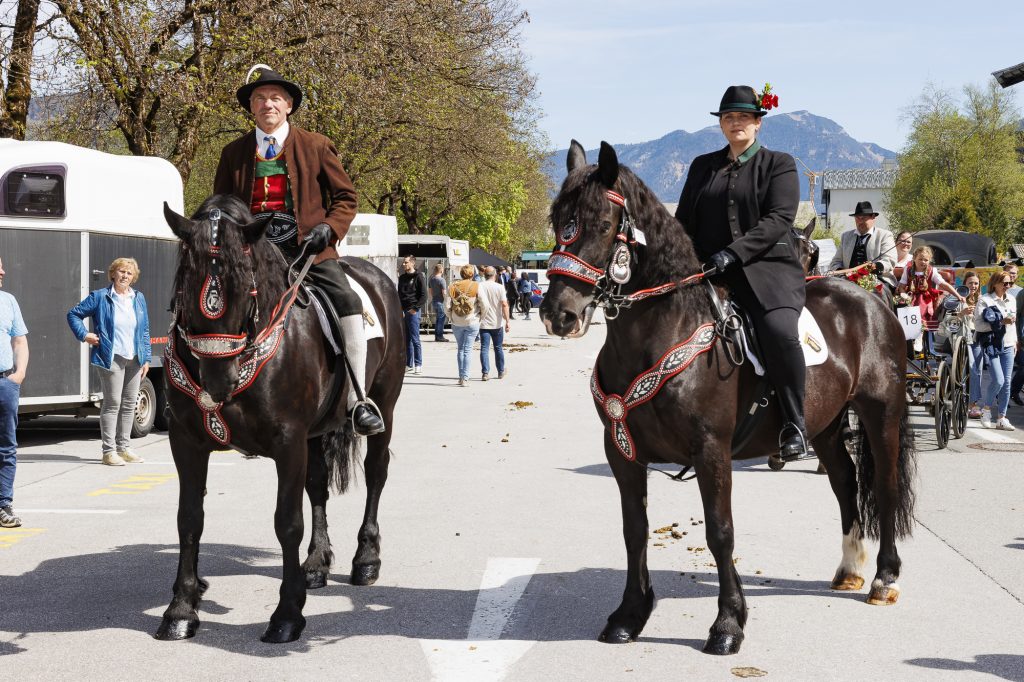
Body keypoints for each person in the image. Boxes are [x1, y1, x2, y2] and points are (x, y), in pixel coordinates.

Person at [213, 65, 383, 435]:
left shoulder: (317, 146)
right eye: (259, 99)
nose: (267, 104)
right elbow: (221, 205)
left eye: (275, 98)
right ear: (251, 108)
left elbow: (345, 198)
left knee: (348, 301)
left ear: (289, 105)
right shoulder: (233, 153)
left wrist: (328, 229)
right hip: (251, 254)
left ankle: (359, 401)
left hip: (309, 252)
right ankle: (211, 395)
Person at [674, 84, 808, 461]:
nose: (736, 123)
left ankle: (795, 422)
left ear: (757, 123)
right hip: (710, 273)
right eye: (729, 118)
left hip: (767, 273)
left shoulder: (779, 164)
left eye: (744, 117)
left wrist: (730, 255)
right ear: (721, 124)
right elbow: (683, 223)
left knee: (780, 332)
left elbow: (778, 220)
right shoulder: (703, 167)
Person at [67, 258, 151, 466]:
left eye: (129, 273)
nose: (125, 276)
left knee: (129, 403)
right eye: (121, 271)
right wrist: (85, 335)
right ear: (113, 274)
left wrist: (146, 358)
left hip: (134, 358)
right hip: (110, 357)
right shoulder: (100, 297)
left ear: (134, 277)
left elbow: (145, 331)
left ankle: (124, 448)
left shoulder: (138, 298)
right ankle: (108, 451)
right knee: (113, 403)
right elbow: (73, 315)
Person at [0, 256, 28, 528]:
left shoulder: (8, 301)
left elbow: (19, 340)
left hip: (5, 383)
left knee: (7, 448)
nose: (3, 270)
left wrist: (17, 375)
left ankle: (3, 505)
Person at [896, 246, 965, 356]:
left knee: (921, 306)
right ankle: (903, 336)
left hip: (925, 298)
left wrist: (958, 295)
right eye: (920, 259)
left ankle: (919, 336)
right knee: (900, 306)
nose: (923, 262)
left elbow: (943, 284)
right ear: (914, 258)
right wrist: (903, 293)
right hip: (910, 296)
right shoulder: (908, 270)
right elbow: (902, 285)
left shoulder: (931, 271)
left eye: (926, 260)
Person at [974, 271, 1018, 430]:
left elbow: (1013, 323)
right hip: (992, 344)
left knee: (1006, 383)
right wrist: (1000, 321)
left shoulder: (1012, 299)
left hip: (1008, 344)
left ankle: (1002, 418)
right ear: (995, 283)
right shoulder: (985, 300)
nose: (1008, 286)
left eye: (1010, 284)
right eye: (1004, 283)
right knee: (998, 380)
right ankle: (986, 410)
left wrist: (1015, 341)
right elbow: (978, 325)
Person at [827, 201, 897, 287]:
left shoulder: (885, 235)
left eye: (863, 218)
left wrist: (875, 266)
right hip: (847, 281)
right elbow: (836, 262)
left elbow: (890, 260)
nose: (860, 221)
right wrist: (842, 273)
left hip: (878, 279)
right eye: (857, 218)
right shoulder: (846, 236)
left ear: (873, 217)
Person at [447, 264, 483, 386]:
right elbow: (485, 304)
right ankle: (465, 378)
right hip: (472, 321)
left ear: (461, 274)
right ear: (472, 274)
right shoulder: (476, 286)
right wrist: (480, 317)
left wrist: (451, 317)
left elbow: (446, 306)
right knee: (467, 350)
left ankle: (460, 376)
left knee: (460, 349)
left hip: (457, 322)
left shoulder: (452, 286)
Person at [477, 266, 511, 380]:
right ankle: (501, 371)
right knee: (498, 348)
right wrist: (507, 321)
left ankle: (485, 373)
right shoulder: (500, 287)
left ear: (484, 275)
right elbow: (504, 305)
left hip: (483, 322)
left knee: (484, 348)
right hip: (497, 323)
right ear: (495, 275)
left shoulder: (480, 286)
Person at [960, 272, 985, 419]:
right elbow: (950, 319)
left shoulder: (982, 300)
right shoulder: (959, 298)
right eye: (970, 283)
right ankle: (972, 405)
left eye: (976, 283)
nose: (973, 286)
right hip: (964, 337)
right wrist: (962, 313)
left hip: (978, 337)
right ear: (965, 284)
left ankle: (972, 402)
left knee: (979, 371)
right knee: (972, 370)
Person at [398, 256, 426, 373]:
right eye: (403, 262)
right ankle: (408, 364)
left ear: (412, 263)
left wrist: (415, 308)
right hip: (403, 311)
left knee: (415, 339)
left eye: (406, 262)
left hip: (413, 310)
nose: (404, 264)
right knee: (406, 339)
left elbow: (424, 295)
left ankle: (418, 364)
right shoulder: (402, 277)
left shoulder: (418, 276)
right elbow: (399, 293)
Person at [428, 263, 449, 342]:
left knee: (438, 319)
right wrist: (447, 301)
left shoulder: (431, 279)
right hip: (440, 302)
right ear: (441, 270)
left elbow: (430, 291)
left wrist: (434, 296)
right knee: (441, 319)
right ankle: (440, 336)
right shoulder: (441, 280)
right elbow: (444, 292)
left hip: (434, 301)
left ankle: (437, 336)